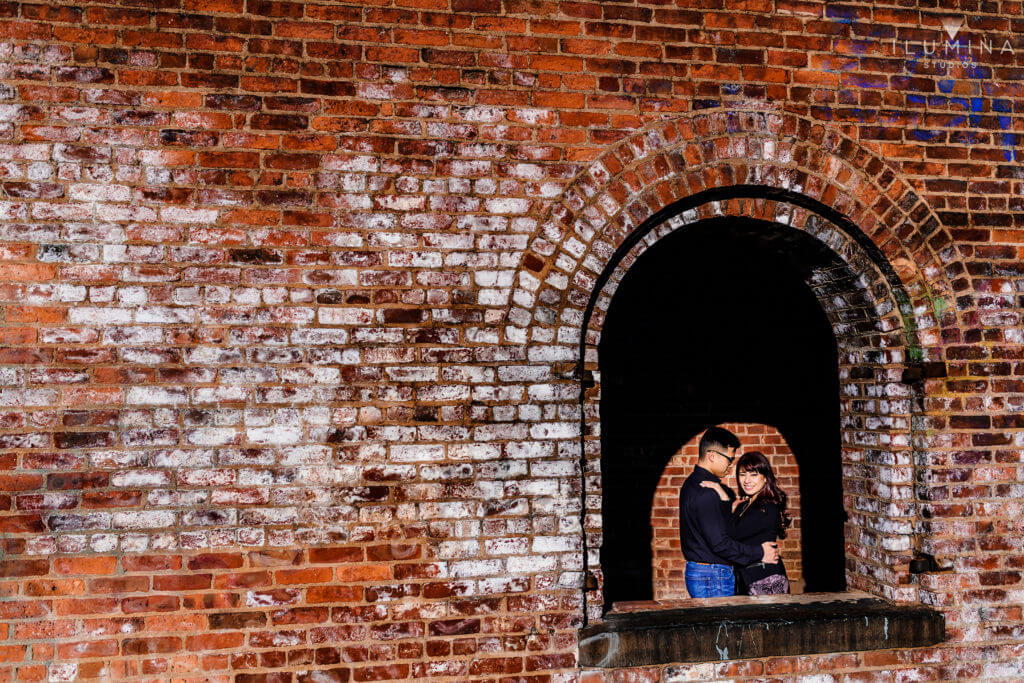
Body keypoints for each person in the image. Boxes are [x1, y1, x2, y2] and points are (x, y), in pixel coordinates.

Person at [679, 427, 779, 598]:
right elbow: (721, 543)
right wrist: (761, 553)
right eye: (729, 459)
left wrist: (724, 498)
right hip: (713, 576)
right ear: (712, 456)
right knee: (721, 624)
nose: (731, 465)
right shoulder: (706, 492)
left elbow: (722, 528)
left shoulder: (693, 484)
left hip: (707, 573)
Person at [702, 450, 792, 595]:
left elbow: (729, 534)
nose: (747, 480)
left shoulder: (767, 506)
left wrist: (724, 498)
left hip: (767, 580)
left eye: (753, 474)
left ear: (765, 478)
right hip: (747, 579)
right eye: (743, 474)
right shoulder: (743, 505)